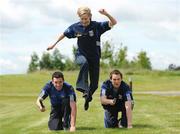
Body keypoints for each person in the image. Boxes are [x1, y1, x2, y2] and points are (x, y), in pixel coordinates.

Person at [47, 7, 117, 111]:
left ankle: (87, 97)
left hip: (94, 57)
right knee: (84, 63)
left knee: (94, 85)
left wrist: (106, 13)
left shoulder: (97, 26)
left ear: (90, 17)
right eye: (82, 19)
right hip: (81, 56)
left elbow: (114, 22)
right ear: (79, 18)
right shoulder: (75, 27)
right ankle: (82, 88)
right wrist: (53, 44)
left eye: (86, 19)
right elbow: (64, 34)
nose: (84, 21)